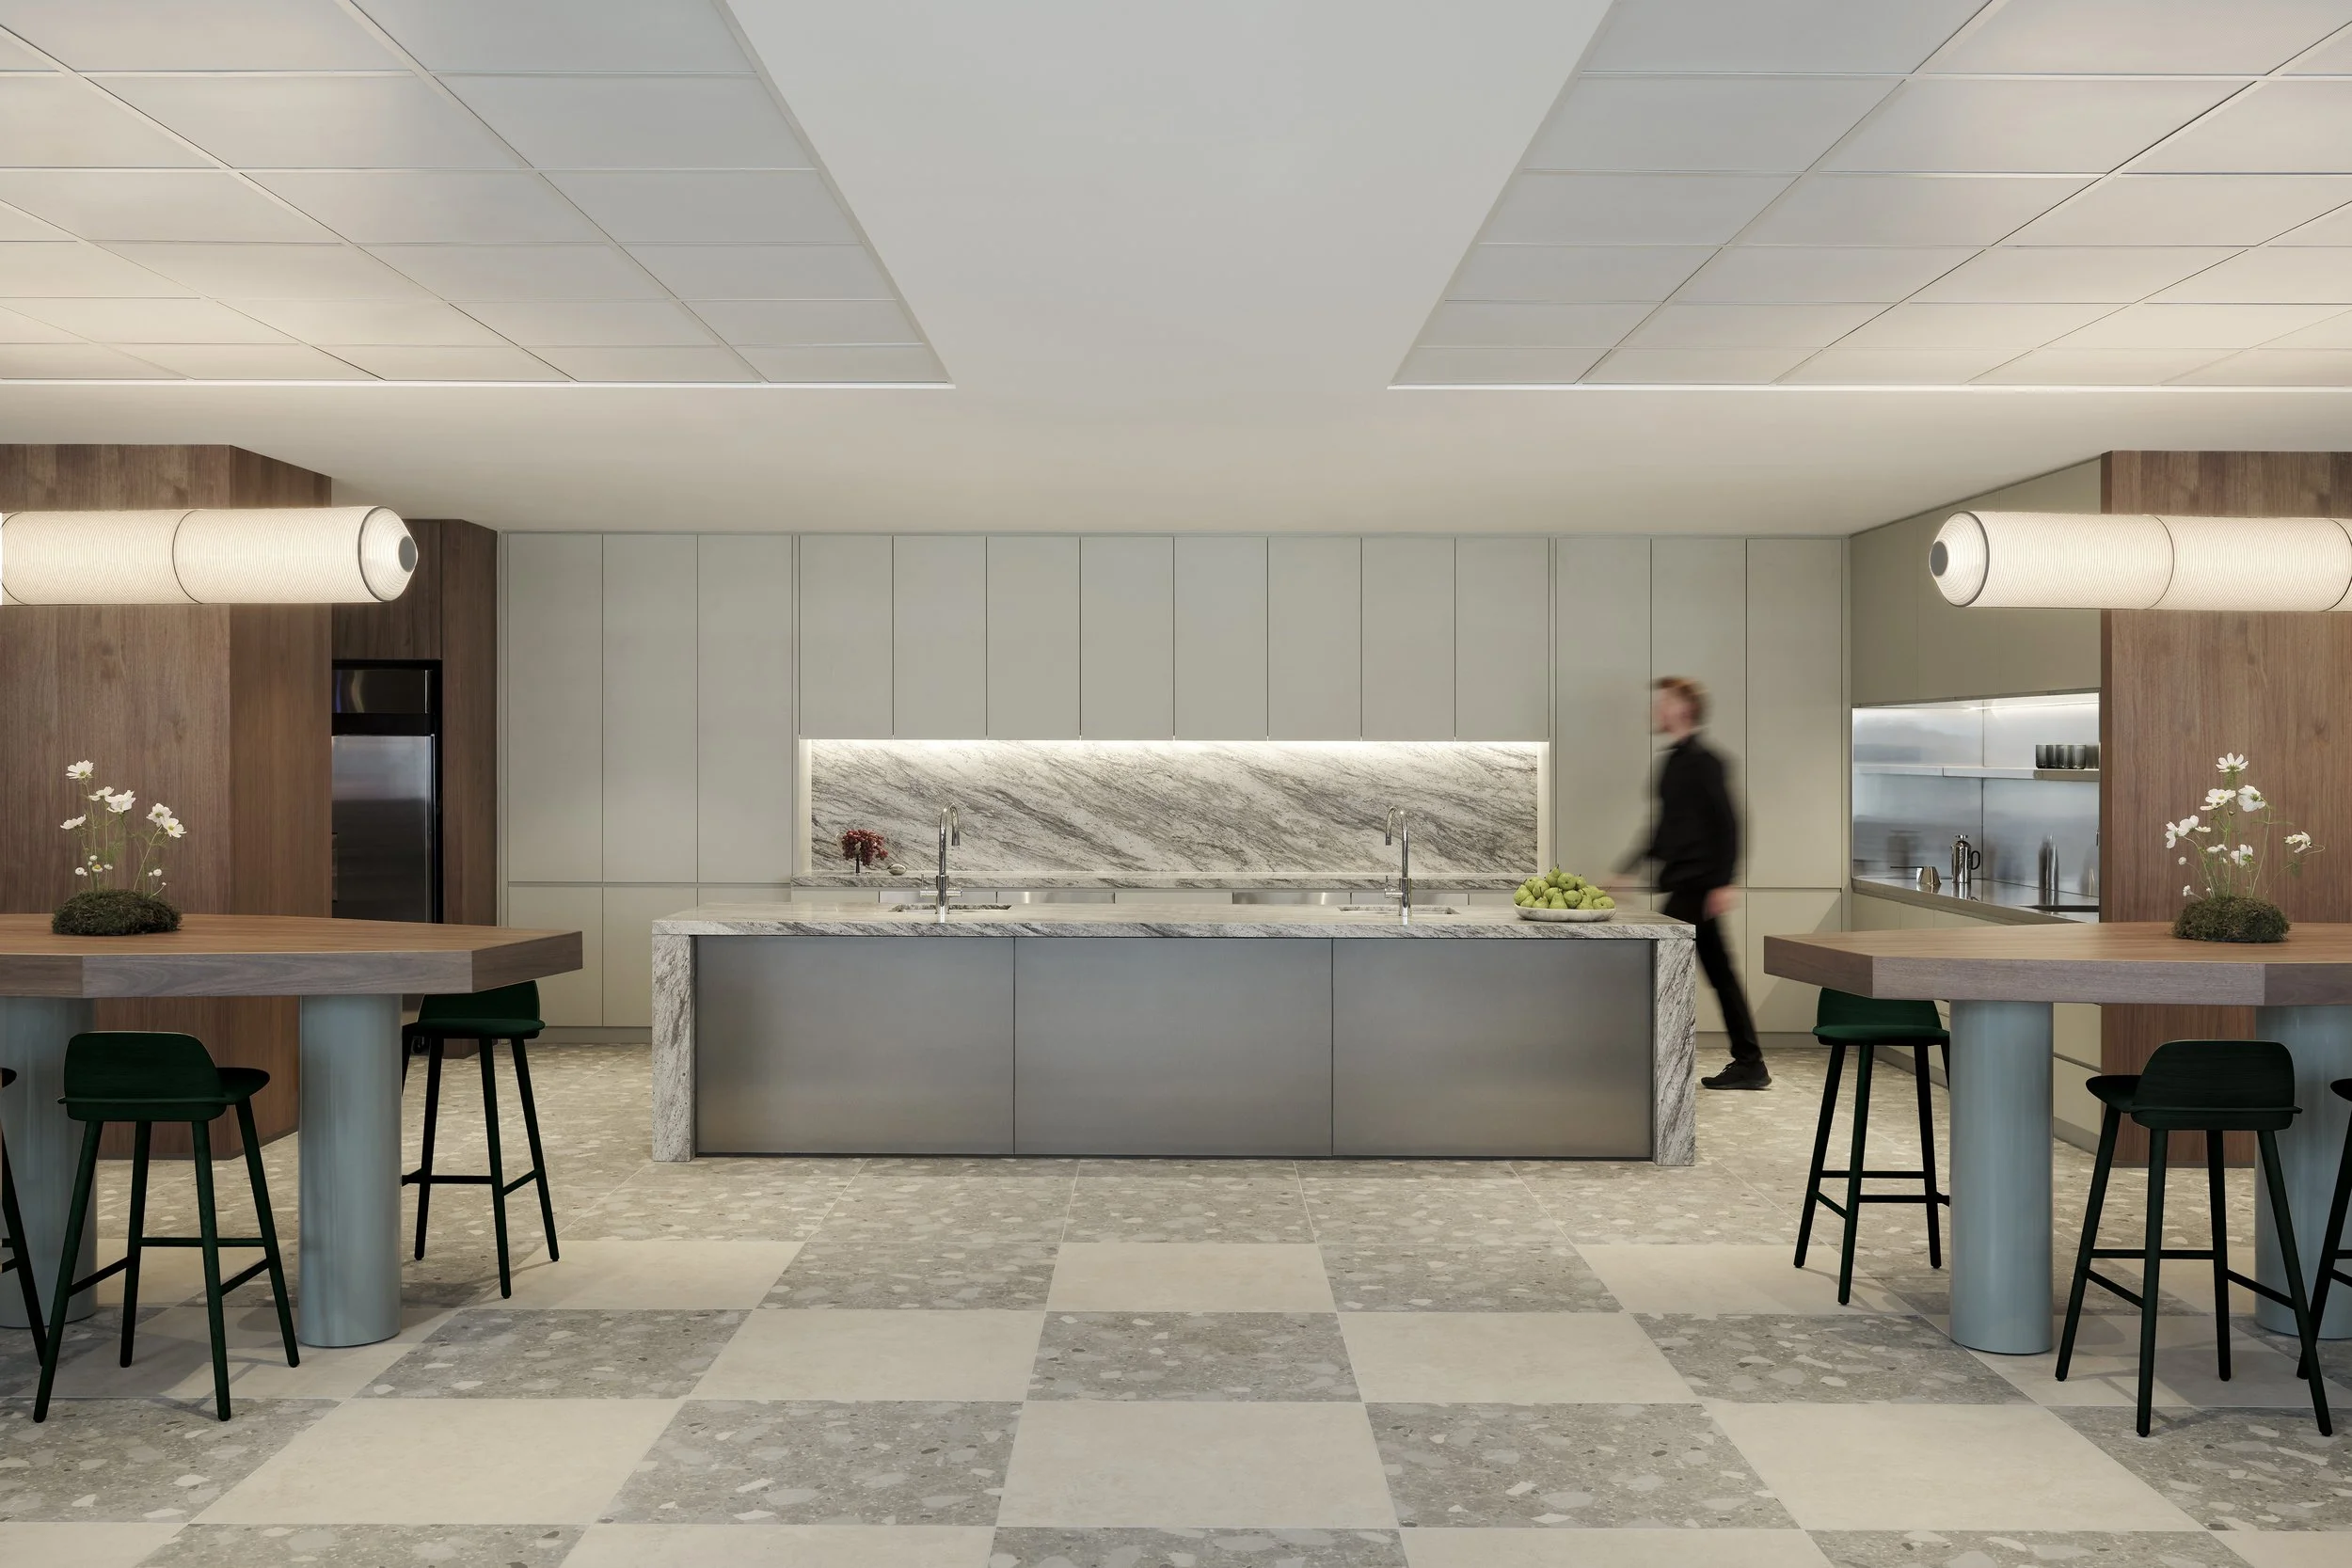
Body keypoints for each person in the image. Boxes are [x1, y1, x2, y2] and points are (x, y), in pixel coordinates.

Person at [1614, 675, 1768, 1090]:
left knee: (1673, 967)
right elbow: (1663, 830)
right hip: (1686, 886)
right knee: (1716, 972)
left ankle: (1739, 1061)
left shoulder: (1704, 761)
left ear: (1683, 708)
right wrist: (1627, 868)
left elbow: (1730, 823)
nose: (1657, 709)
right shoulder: (1676, 760)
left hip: (1698, 888)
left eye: (1664, 702)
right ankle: (1748, 1061)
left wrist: (1725, 882)